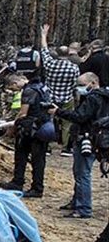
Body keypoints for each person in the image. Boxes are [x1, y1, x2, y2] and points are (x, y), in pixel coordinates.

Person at [50, 72, 106, 220]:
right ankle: (76, 201)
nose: (79, 88)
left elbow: (80, 116)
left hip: (87, 138)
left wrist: (58, 112)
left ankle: (83, 208)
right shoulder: (104, 97)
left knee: (82, 174)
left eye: (81, 85)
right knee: (79, 172)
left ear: (93, 83)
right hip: (98, 138)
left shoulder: (93, 98)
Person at [0, 73, 53, 198]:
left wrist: (12, 128)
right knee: (33, 157)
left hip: (32, 128)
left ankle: (35, 188)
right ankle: (20, 182)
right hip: (43, 125)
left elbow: (23, 113)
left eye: (13, 89)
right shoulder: (41, 86)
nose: (14, 91)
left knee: (28, 157)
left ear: (15, 83)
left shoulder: (29, 91)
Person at [39, 26, 80, 154]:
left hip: (50, 97)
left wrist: (44, 35)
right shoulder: (74, 68)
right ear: (68, 54)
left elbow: (44, 50)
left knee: (48, 120)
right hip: (67, 97)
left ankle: (48, 146)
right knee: (67, 122)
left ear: (57, 53)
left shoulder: (50, 64)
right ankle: (65, 148)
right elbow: (75, 84)